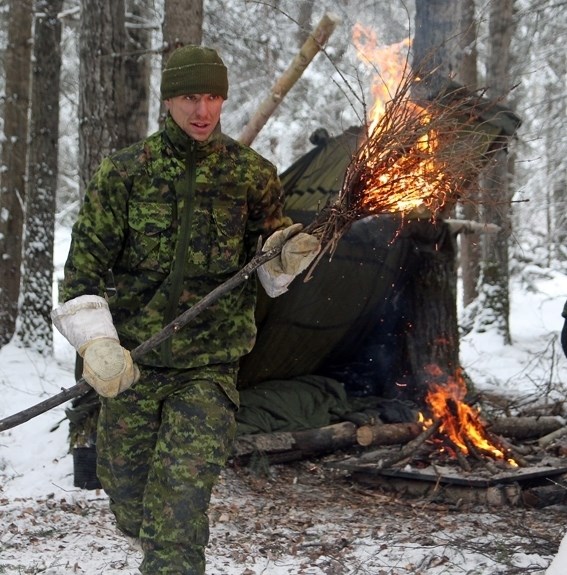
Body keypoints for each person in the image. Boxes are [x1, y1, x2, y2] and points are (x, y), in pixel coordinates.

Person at [51, 44, 320, 575]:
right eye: (191, 97)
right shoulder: (125, 175)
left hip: (207, 370)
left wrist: (287, 258)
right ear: (168, 101)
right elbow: (81, 274)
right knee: (132, 504)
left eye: (214, 97)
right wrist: (99, 345)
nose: (203, 111)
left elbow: (267, 273)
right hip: (132, 366)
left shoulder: (251, 177)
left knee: (176, 517)